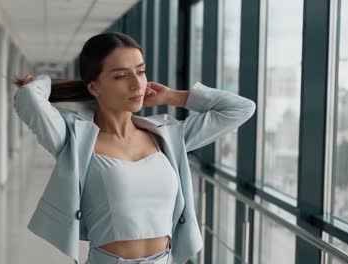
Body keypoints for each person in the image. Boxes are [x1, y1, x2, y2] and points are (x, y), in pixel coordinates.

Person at [13, 32, 256, 264]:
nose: (137, 84)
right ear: (94, 87)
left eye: (140, 72)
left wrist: (174, 97)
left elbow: (241, 109)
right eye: (121, 76)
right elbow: (28, 97)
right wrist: (45, 82)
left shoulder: (167, 137)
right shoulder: (74, 139)